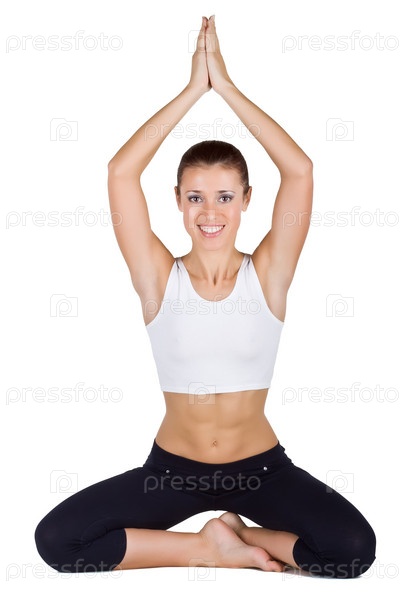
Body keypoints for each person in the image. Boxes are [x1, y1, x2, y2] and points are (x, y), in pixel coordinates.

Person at [34, 15, 376, 578]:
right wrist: (194, 90)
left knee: (352, 551)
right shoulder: (157, 278)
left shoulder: (268, 274)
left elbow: (300, 170)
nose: (210, 212)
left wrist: (228, 89)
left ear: (246, 199)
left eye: (224, 197)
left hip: (260, 472)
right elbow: (120, 173)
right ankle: (207, 547)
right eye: (195, 197)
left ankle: (240, 534)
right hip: (172, 472)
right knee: (58, 542)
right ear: (177, 200)